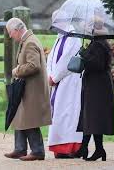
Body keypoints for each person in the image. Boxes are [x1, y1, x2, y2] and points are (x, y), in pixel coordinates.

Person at [4, 17, 52, 161]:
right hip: (27, 87)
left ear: (17, 30)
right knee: (19, 115)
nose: (10, 36)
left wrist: (17, 70)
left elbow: (33, 66)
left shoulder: (30, 42)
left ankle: (37, 152)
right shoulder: (27, 40)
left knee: (30, 119)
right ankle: (20, 149)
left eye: (10, 33)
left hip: (33, 89)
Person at [74, 20, 114, 161]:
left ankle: (90, 149)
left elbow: (97, 64)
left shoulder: (99, 44)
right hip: (96, 85)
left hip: (98, 86)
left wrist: (84, 54)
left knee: (93, 116)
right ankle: (93, 149)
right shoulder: (98, 42)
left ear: (93, 29)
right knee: (91, 117)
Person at [47, 11, 83, 159]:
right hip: (57, 82)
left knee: (69, 114)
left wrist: (54, 77)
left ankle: (70, 148)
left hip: (69, 82)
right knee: (58, 114)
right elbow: (51, 58)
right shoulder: (60, 37)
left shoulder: (73, 38)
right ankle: (59, 147)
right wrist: (49, 74)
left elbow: (67, 60)